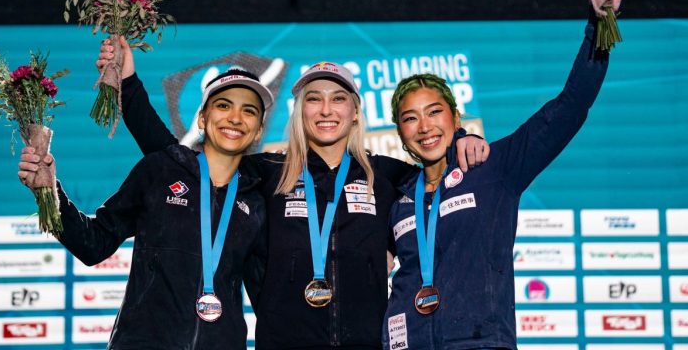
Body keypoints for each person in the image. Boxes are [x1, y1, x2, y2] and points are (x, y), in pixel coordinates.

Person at [106, 49, 490, 348]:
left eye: (338, 99)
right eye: (314, 99)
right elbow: (177, 162)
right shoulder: (266, 172)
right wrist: (128, 84)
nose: (326, 110)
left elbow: (435, 166)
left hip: (369, 344)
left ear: (356, 112)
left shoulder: (388, 176)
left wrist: (461, 138)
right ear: (299, 111)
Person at [382, 0, 621, 349]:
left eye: (434, 112)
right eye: (410, 118)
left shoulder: (494, 169)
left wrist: (599, 23)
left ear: (456, 118)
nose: (424, 126)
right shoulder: (397, 196)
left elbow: (570, 107)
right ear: (400, 133)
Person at [18, 68, 274, 349]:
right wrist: (49, 192)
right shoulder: (161, 170)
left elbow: (269, 298)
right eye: (223, 105)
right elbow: (93, 244)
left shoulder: (258, 201)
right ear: (202, 117)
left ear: (259, 128)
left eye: (249, 111)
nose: (235, 118)